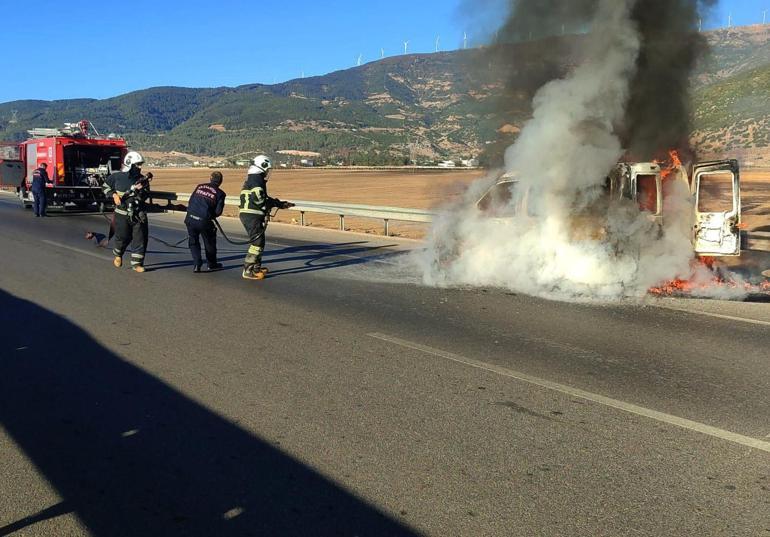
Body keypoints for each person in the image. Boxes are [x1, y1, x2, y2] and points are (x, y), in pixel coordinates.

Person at [239, 155, 294, 280]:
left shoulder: (252, 179)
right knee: (257, 243)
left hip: (251, 215)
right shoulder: (257, 180)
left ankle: (256, 267)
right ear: (262, 167)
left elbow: (263, 198)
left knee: (260, 241)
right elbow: (259, 199)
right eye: (267, 169)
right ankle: (248, 270)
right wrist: (273, 204)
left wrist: (279, 203)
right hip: (251, 216)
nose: (267, 172)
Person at [103, 151, 152, 273]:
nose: (140, 167)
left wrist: (140, 191)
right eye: (138, 164)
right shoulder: (117, 177)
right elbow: (105, 186)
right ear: (130, 164)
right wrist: (113, 195)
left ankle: (137, 264)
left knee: (140, 238)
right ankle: (118, 254)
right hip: (122, 214)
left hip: (138, 214)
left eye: (141, 164)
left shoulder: (142, 180)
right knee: (122, 237)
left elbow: (146, 195)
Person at [185, 171, 226, 272]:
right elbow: (218, 211)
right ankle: (211, 264)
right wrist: (210, 215)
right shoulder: (220, 193)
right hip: (204, 220)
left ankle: (196, 264)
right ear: (221, 181)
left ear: (210, 178)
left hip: (190, 218)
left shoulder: (200, 186)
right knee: (209, 242)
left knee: (193, 242)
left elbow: (190, 201)